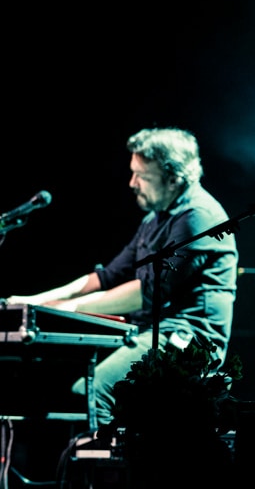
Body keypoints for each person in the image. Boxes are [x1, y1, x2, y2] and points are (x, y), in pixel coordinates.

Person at [6, 127, 238, 431]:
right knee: (75, 389)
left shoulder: (199, 216)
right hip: (153, 333)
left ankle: (120, 463)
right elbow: (107, 276)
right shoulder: (155, 218)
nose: (132, 183)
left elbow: (149, 293)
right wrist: (34, 301)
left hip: (189, 342)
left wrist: (67, 308)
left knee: (97, 393)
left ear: (173, 178)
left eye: (142, 176)